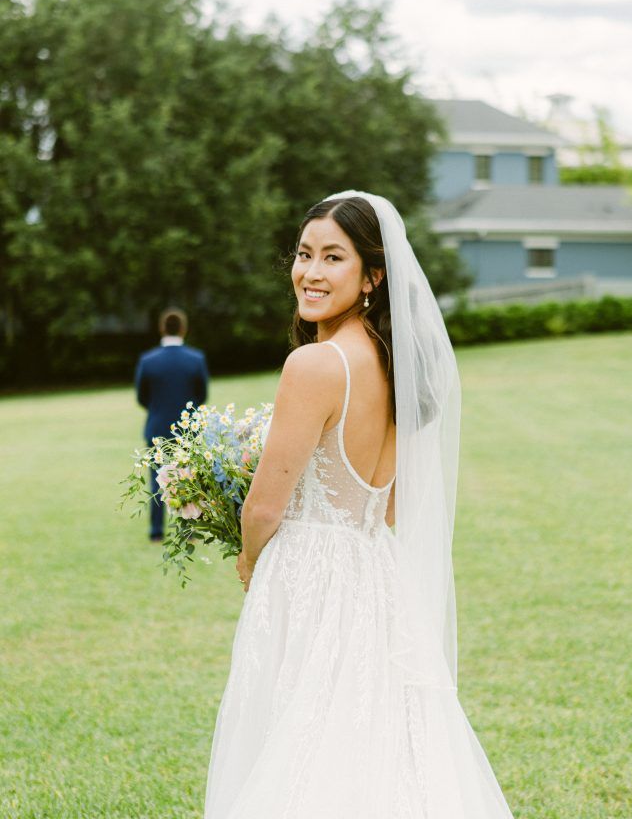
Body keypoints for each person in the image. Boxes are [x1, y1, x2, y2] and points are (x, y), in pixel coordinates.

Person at [204, 192, 514, 818]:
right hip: (374, 573)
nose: (311, 273)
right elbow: (392, 506)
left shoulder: (315, 364)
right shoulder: (398, 371)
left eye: (333, 258)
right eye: (304, 254)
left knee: (299, 736)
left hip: (307, 573)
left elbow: (265, 506)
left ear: (373, 276)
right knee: (374, 739)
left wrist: (249, 557)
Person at [135, 307, 209, 542]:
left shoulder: (148, 361)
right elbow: (202, 395)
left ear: (161, 329)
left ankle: (156, 531)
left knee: (157, 478)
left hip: (157, 427)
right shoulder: (196, 359)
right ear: (184, 329)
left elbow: (141, 397)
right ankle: (189, 529)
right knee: (188, 478)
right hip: (187, 428)